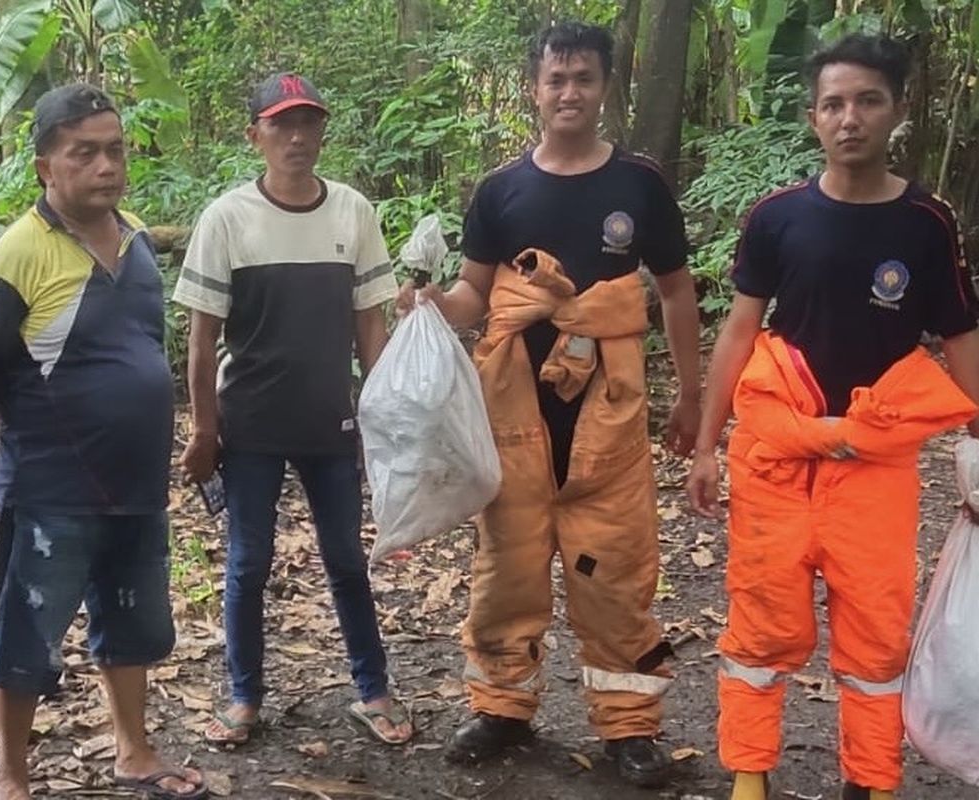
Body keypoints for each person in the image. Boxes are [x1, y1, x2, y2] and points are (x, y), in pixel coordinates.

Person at [396, 20, 702, 788]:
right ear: (534, 89)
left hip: (611, 419)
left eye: (584, 79)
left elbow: (673, 291)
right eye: (556, 79)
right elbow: (476, 292)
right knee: (509, 570)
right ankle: (501, 707)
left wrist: (692, 393)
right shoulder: (502, 190)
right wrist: (433, 303)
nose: (570, 92)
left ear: (606, 88)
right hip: (513, 419)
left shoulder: (639, 185)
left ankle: (629, 726)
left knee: (618, 574)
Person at [686, 35, 979, 800]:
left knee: (876, 635)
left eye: (868, 100)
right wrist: (707, 445)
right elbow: (740, 332)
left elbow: (960, 337)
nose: (851, 118)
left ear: (898, 110)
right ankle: (750, 778)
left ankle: (871, 781)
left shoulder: (926, 222)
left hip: (876, 466)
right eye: (834, 104)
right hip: (775, 459)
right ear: (814, 118)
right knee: (759, 627)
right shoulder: (779, 217)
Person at [0, 84, 206, 800]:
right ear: (45, 167)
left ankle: (133, 750)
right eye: (84, 153)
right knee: (29, 627)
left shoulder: (133, 240)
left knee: (132, 619)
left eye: (115, 150)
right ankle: (11, 775)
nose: (106, 165)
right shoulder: (18, 251)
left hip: (135, 485)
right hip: (50, 489)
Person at [174, 72, 414, 747]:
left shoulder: (352, 212)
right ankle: (245, 696)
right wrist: (204, 428)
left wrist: (380, 410)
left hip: (330, 421)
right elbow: (202, 337)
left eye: (308, 122)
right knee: (249, 562)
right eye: (282, 124)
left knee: (345, 557)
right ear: (256, 136)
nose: (298, 137)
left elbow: (371, 323)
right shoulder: (227, 218)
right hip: (248, 422)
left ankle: (372, 689)